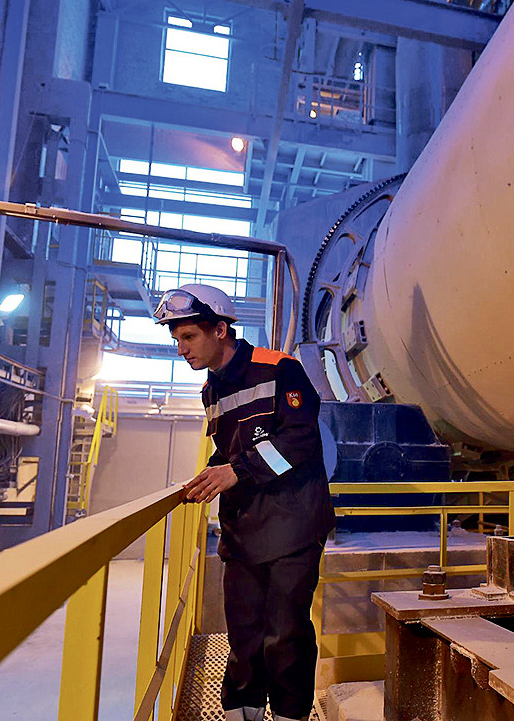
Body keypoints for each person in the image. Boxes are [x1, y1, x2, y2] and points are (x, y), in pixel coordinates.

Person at [154, 283, 335, 721]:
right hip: (242, 533)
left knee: (285, 636)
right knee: (243, 637)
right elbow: (230, 451)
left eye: (188, 337)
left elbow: (299, 440)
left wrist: (235, 471)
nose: (181, 349)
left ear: (220, 330)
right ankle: (241, 713)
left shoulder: (279, 369)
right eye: (177, 339)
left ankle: (290, 715)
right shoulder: (211, 391)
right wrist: (210, 475)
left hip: (293, 527)